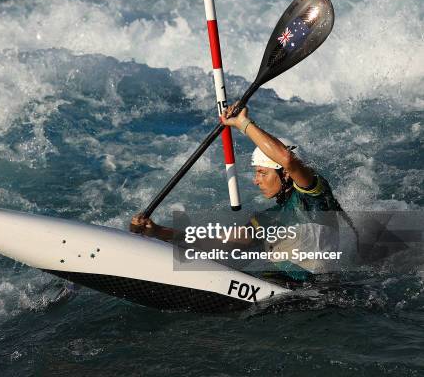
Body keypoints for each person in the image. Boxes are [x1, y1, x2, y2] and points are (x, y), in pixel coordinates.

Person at [130, 102, 348, 280]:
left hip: (322, 293)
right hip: (286, 291)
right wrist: (158, 232)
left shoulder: (314, 196)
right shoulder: (268, 219)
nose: (256, 181)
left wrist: (243, 124)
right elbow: (219, 241)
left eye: (263, 173)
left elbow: (288, 160)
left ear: (286, 175)